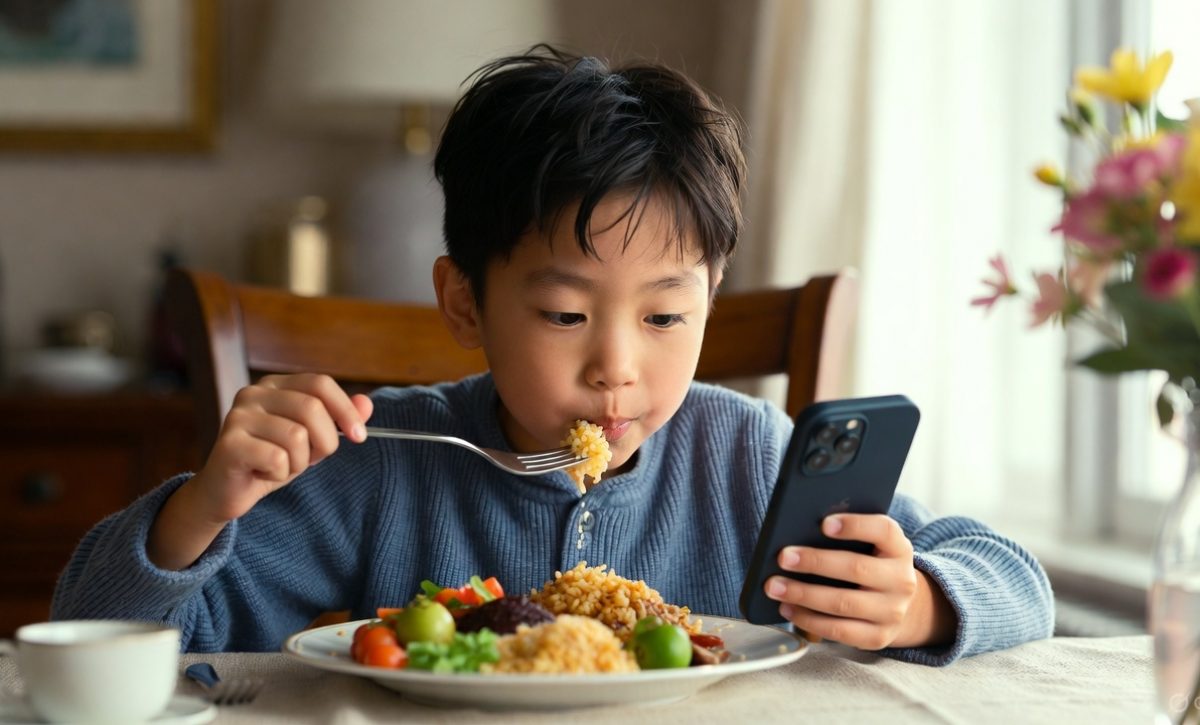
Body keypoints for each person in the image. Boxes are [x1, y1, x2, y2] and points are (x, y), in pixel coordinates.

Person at [52, 46, 1053, 665]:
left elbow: (1016, 578)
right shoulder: (390, 455)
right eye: (567, 315)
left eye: (665, 318)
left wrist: (916, 599)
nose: (618, 367)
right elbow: (104, 634)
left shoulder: (744, 452)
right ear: (464, 303)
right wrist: (199, 510)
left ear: (710, 300)